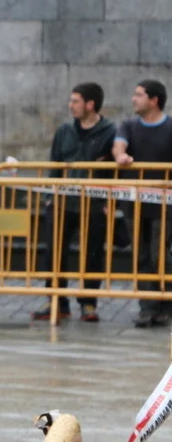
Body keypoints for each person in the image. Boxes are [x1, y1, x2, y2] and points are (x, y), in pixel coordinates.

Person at [32, 83, 116, 323]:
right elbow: (55, 164)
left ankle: (88, 302)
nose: (71, 106)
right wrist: (50, 196)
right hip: (62, 201)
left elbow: (114, 172)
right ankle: (56, 301)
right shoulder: (65, 130)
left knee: (92, 253)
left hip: (94, 201)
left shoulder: (110, 132)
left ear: (90, 104)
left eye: (75, 101)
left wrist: (111, 201)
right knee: (54, 251)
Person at [113, 79, 172, 328]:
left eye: (139, 95)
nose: (134, 99)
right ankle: (147, 306)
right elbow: (119, 144)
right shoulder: (129, 125)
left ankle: (166, 304)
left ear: (154, 100)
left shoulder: (169, 127)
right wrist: (121, 156)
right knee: (141, 254)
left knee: (160, 253)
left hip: (164, 204)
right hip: (134, 203)